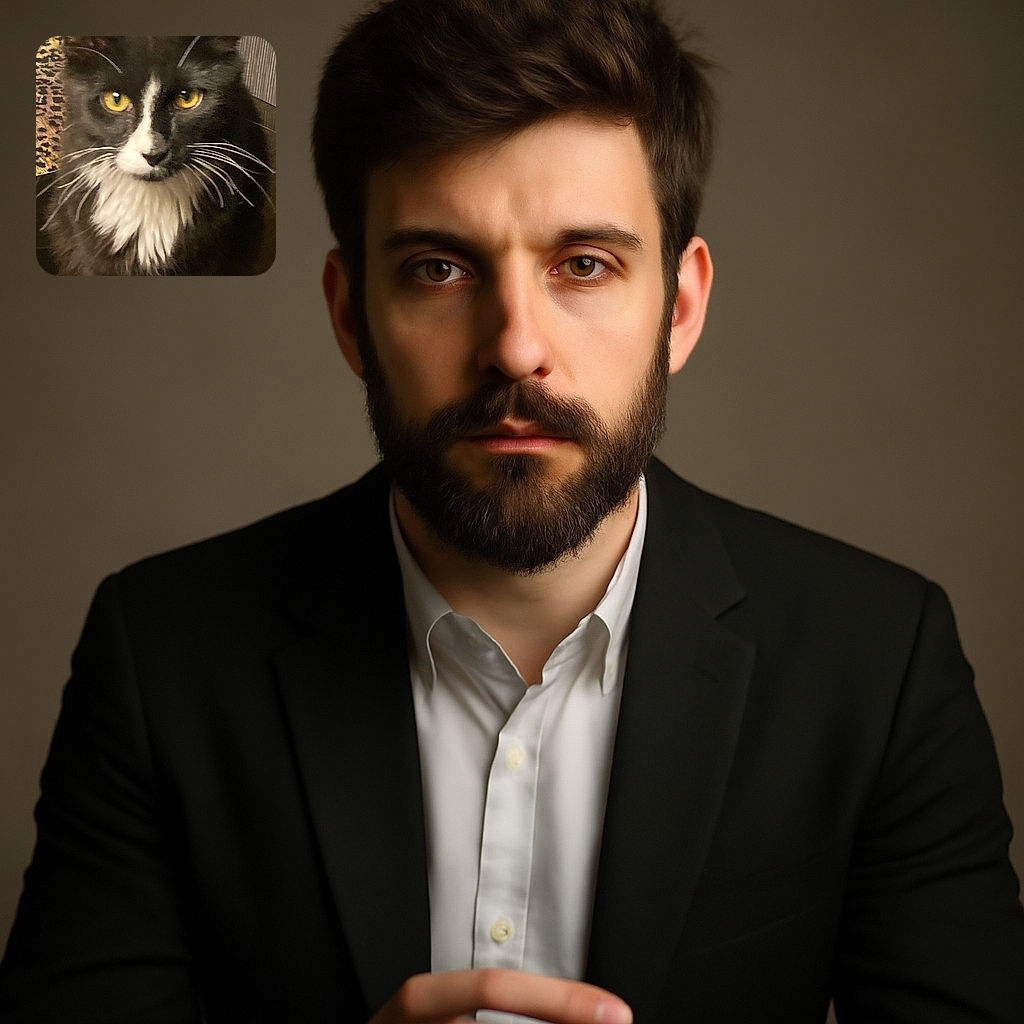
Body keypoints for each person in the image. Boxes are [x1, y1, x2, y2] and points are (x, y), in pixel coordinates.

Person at [2, 1, 1023, 1021]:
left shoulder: (877, 664)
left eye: (584, 265)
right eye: (439, 269)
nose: (515, 348)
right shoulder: (162, 658)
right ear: (352, 315)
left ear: (679, 307)